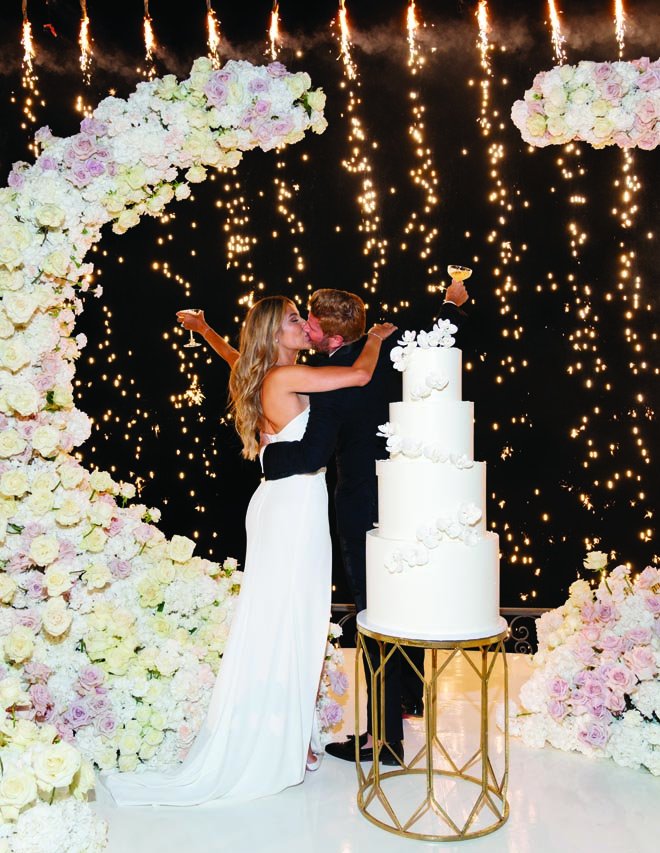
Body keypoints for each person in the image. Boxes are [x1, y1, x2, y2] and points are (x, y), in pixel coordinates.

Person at [103, 297, 395, 805]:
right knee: (288, 619)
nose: (306, 325)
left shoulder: (267, 372)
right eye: (293, 320)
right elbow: (360, 377)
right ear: (273, 334)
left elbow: (233, 357)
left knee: (282, 618)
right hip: (293, 507)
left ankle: (291, 737)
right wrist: (373, 339)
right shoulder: (285, 379)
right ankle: (277, 742)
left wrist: (205, 330)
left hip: (285, 504)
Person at [260, 282, 468, 766]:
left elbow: (313, 454)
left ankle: (384, 739)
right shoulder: (396, 348)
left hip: (362, 506)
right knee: (405, 601)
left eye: (309, 321)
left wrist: (268, 456)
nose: (306, 327)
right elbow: (442, 337)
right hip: (413, 499)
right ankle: (406, 703)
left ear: (329, 336)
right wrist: (452, 304)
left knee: (375, 616)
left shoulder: (329, 380)